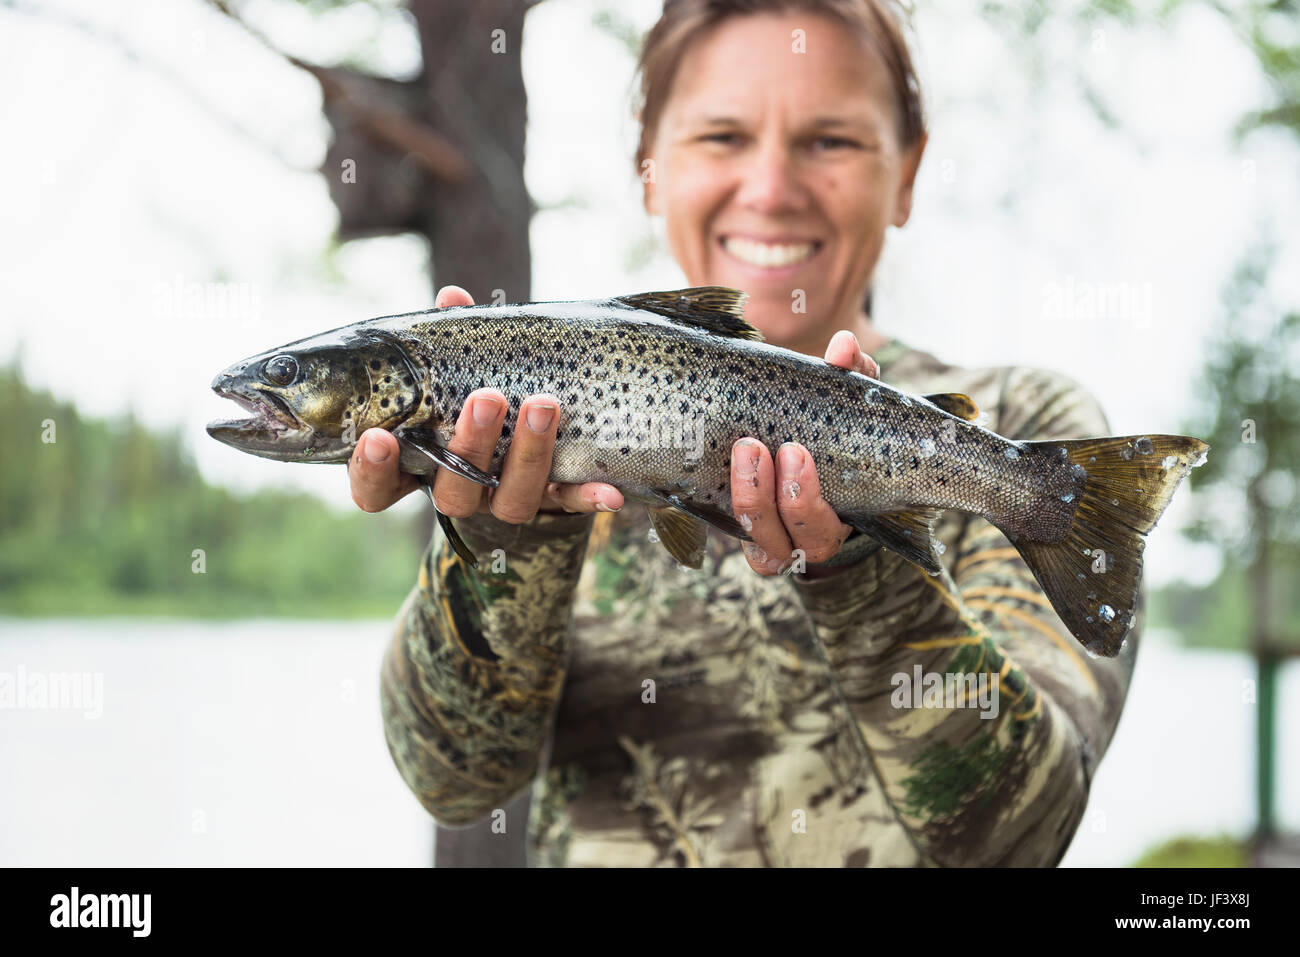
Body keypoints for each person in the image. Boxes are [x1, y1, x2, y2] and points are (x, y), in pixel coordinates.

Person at [350, 0, 1136, 866]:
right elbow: (452, 779)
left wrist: (860, 569)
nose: (770, 188)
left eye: (829, 141)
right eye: (722, 137)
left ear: (907, 174)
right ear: (648, 167)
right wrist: (500, 541)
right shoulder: (536, 431)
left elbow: (1022, 836)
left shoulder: (1028, 429)